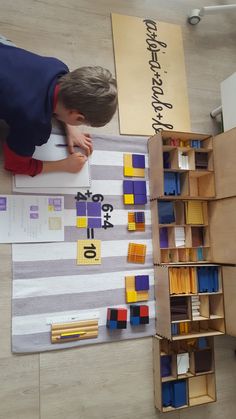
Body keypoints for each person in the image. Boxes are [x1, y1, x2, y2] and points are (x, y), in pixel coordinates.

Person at [0, 39, 117, 176]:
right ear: (77, 116)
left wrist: (70, 126)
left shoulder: (58, 67)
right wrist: (64, 165)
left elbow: (63, 95)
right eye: (82, 122)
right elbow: (15, 165)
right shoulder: (35, 124)